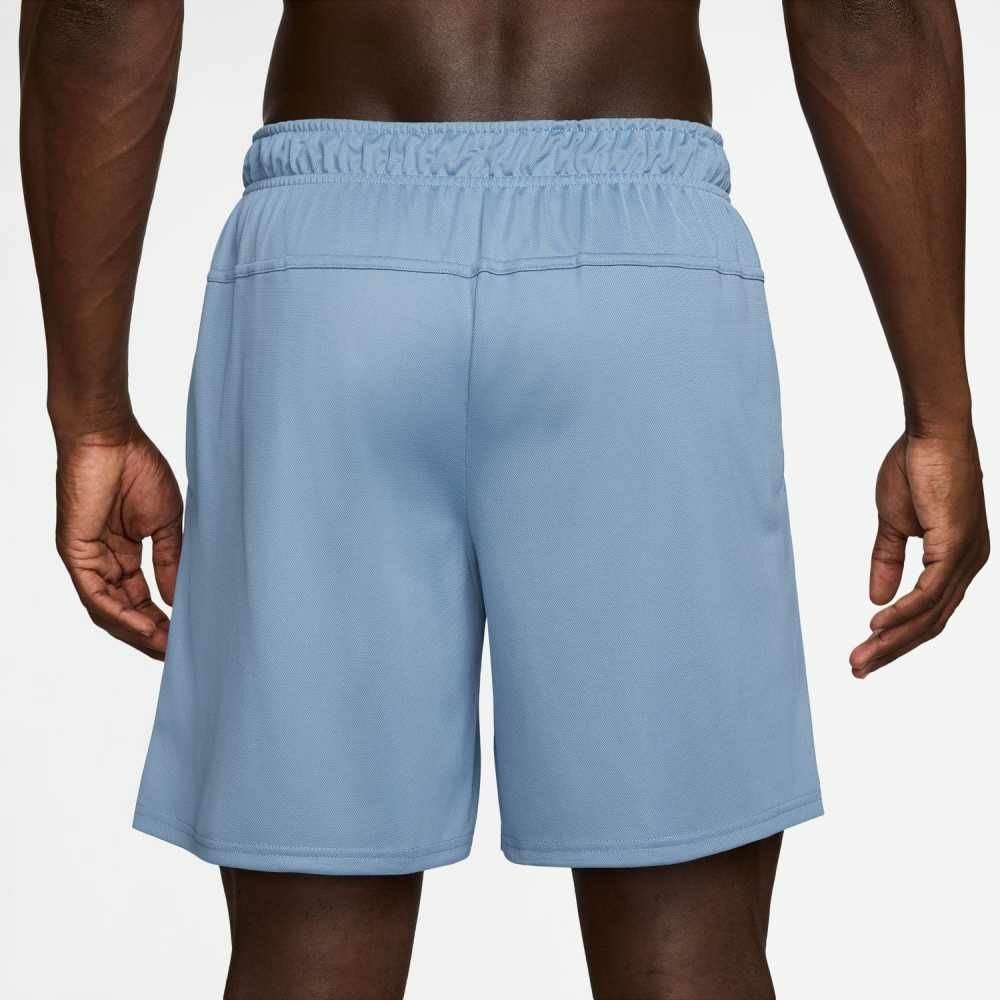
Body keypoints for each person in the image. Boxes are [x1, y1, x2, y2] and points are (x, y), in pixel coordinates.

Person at [20, 2, 989, 998]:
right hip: (636, 273)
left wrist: (91, 415)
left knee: (304, 964)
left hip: (330, 274)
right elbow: (868, 13)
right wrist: (937, 413)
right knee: (688, 946)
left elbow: (97, 14)